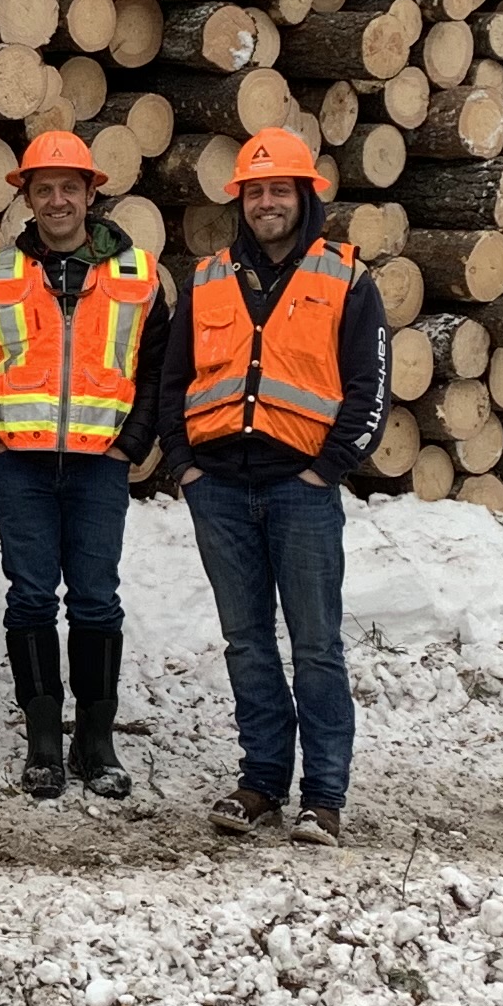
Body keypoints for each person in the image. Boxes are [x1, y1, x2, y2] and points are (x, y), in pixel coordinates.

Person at [139, 127, 386, 842]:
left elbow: (371, 391)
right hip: (219, 487)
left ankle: (325, 798)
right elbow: (173, 380)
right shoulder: (210, 277)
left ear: (305, 196)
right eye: (255, 191)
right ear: (239, 200)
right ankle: (261, 783)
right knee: (246, 644)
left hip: (300, 490)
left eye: (280, 189)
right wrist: (184, 464)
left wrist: (326, 469)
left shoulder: (347, 279)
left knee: (316, 645)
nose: (267, 202)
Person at [0, 130, 171, 803]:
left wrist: (131, 443)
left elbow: (158, 369)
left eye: (69, 187)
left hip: (99, 464)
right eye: (43, 188)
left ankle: (96, 738)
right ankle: (42, 740)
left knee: (95, 600)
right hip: (18, 462)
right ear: (26, 197)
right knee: (29, 597)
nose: (56, 200)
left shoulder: (137, 275)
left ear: (92, 192)